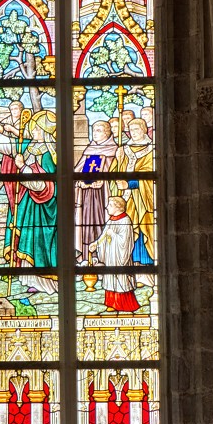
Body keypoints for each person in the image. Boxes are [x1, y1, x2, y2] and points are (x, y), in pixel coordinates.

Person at [4, 110, 58, 295]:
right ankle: (30, 278)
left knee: (39, 242)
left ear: (43, 131)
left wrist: (23, 167)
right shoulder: (33, 149)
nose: (33, 132)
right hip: (31, 204)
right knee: (28, 239)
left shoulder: (48, 155)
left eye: (35, 129)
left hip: (43, 208)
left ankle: (44, 282)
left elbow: (43, 185)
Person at [113, 117, 155, 272]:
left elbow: (149, 178)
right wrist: (118, 160)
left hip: (143, 200)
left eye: (137, 129)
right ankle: (131, 264)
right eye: (131, 130)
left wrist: (130, 184)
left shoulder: (151, 150)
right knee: (129, 230)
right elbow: (114, 174)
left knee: (144, 229)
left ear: (144, 129)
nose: (134, 133)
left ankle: (146, 267)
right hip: (127, 199)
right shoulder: (124, 149)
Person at [74, 119, 118, 263]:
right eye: (94, 130)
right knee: (85, 225)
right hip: (86, 195)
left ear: (107, 132)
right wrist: (79, 181)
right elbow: (78, 170)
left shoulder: (114, 150)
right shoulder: (89, 149)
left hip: (102, 196)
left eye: (99, 131)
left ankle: (103, 257)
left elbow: (115, 171)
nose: (95, 134)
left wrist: (103, 179)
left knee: (100, 223)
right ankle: (86, 257)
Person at [89, 196, 139, 312]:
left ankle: (123, 305)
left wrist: (114, 235)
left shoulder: (126, 220)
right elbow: (103, 237)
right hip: (110, 257)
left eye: (110, 205)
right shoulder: (111, 220)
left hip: (119, 257)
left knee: (120, 279)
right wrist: (96, 244)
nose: (107, 207)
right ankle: (111, 303)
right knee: (110, 279)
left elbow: (126, 242)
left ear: (118, 207)